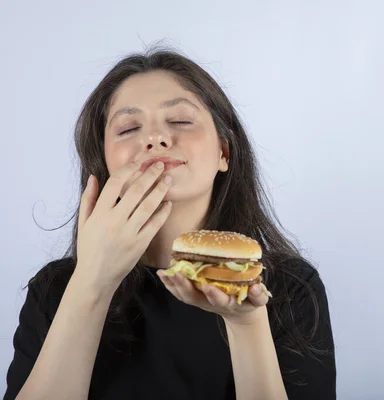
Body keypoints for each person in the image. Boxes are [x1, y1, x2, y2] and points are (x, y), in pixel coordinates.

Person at [3, 48, 336, 399]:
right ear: (104, 162)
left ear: (224, 153)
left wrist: (246, 323)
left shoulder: (291, 288)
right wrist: (91, 282)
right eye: (129, 127)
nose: (156, 138)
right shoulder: (55, 291)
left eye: (179, 121)